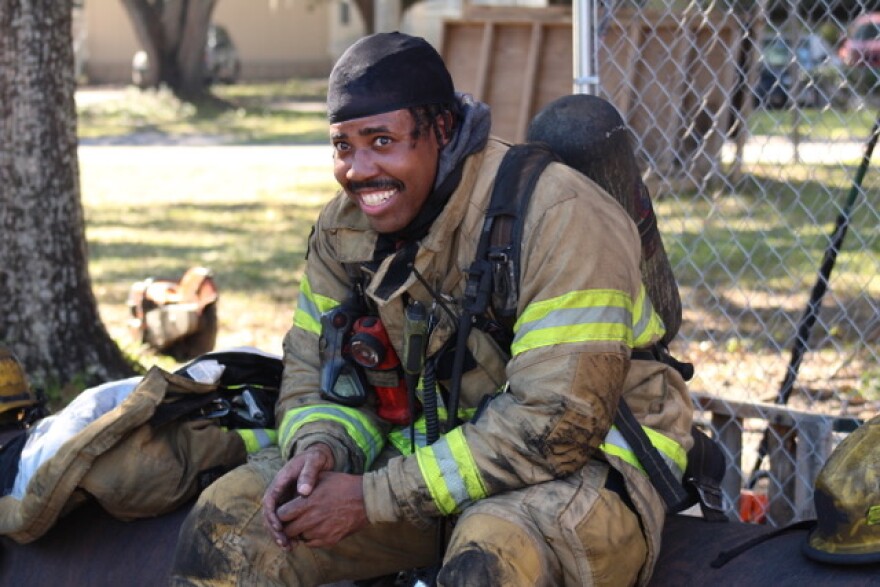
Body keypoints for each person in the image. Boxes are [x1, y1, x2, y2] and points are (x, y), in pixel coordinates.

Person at [171, 31, 693, 586]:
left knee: (486, 566)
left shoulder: (560, 216)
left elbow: (554, 425)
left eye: (380, 140)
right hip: (427, 469)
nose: (358, 170)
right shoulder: (343, 229)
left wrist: (372, 498)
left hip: (575, 471)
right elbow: (313, 373)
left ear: (442, 131)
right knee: (228, 529)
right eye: (343, 146)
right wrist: (320, 449)